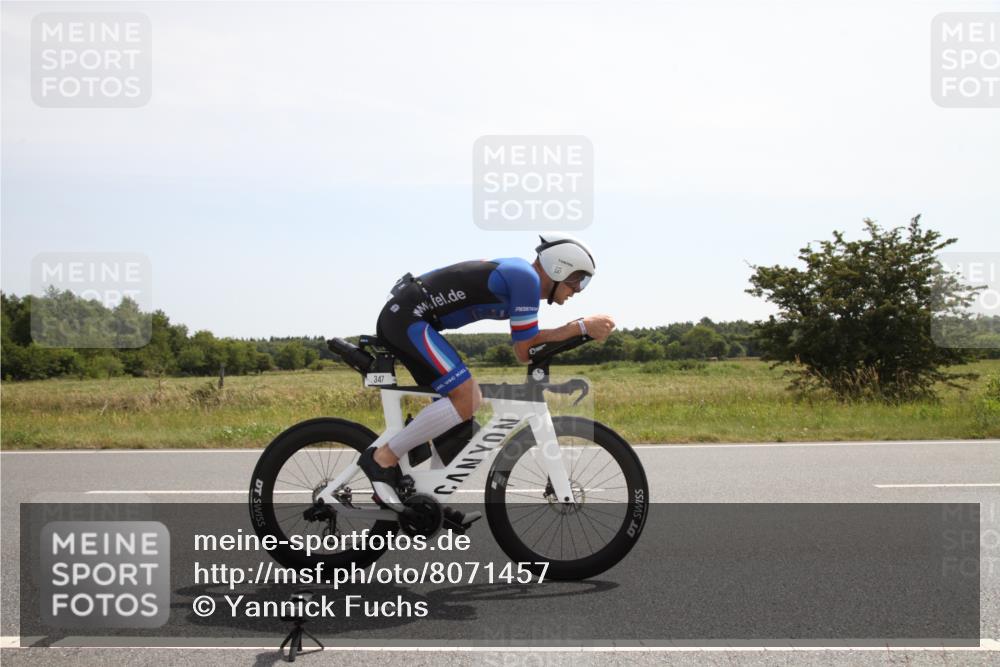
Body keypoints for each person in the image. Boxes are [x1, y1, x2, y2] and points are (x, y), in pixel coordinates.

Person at [358, 233, 615, 498]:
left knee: (458, 432)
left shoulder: (524, 278)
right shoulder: (526, 279)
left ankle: (430, 500)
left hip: (412, 319)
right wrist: (580, 327)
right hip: (407, 318)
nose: (578, 290)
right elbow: (524, 350)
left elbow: (526, 348)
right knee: (467, 398)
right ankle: (382, 459)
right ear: (559, 268)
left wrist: (577, 330)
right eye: (577, 280)